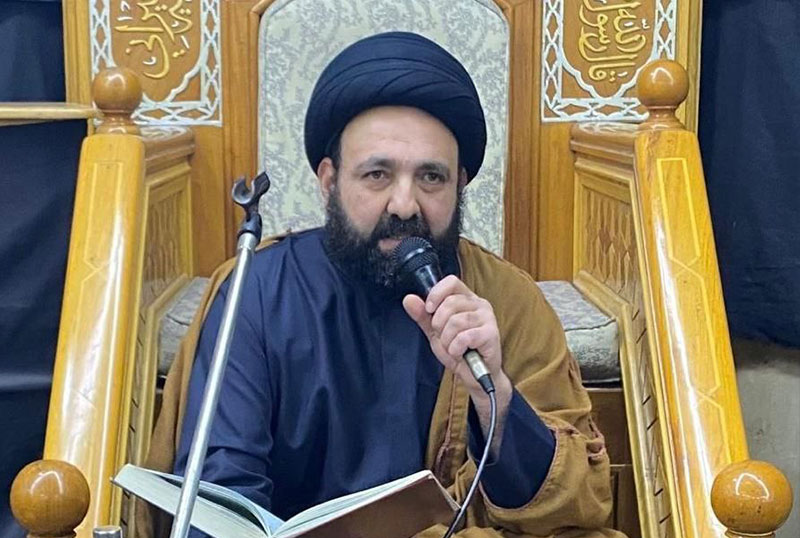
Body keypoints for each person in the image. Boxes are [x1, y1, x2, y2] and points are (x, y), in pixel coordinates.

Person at [144, 32, 623, 538]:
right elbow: (219, 497)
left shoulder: (505, 300)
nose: (405, 204)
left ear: (459, 185)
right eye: (377, 174)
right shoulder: (259, 291)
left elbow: (572, 508)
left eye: (431, 178)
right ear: (329, 181)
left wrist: (495, 399)